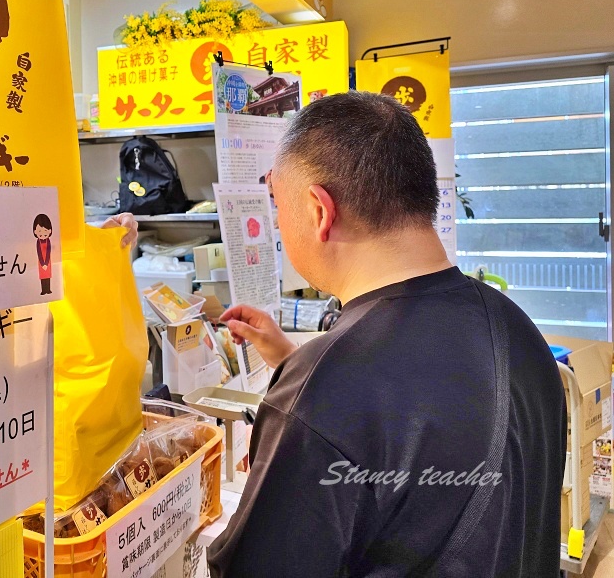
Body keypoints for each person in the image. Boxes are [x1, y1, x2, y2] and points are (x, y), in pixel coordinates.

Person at [208, 92, 565, 577]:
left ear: (319, 210)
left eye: (277, 204)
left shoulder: (323, 391)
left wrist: (306, 382)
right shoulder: (517, 327)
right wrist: (294, 360)